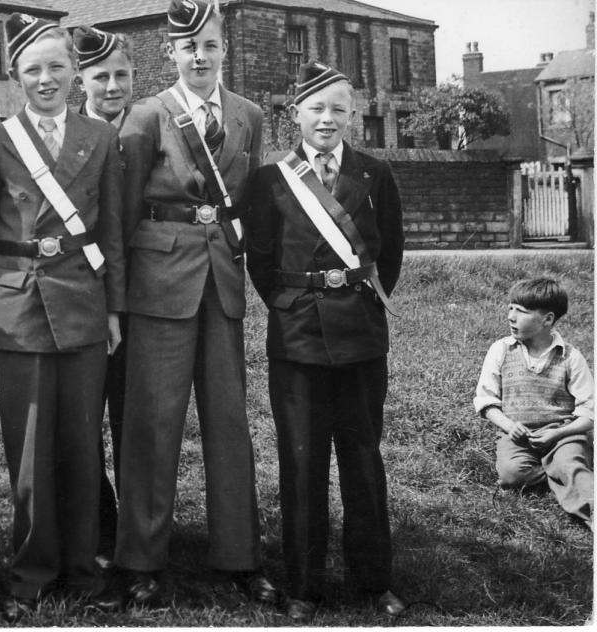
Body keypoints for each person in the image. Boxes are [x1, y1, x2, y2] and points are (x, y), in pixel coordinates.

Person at [113, 0, 277, 608]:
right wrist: (120, 296)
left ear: (223, 48)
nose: (199, 56)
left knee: (230, 423)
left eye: (208, 45)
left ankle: (239, 557)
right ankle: (141, 561)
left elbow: (249, 203)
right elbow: (123, 215)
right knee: (154, 424)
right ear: (171, 54)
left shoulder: (249, 115)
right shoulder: (146, 115)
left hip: (222, 281)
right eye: (188, 48)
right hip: (159, 282)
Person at [0, 12, 126, 623]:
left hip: (85, 301)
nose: (46, 79)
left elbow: (111, 228)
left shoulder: (101, 137)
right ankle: (32, 572)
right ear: (16, 76)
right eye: (33, 69)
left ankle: (84, 568)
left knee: (83, 444)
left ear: (74, 73)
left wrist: (114, 307)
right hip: (18, 304)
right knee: (30, 448)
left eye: (57, 67)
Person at [244, 60, 405, 624]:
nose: (328, 118)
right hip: (298, 340)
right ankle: (303, 585)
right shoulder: (269, 180)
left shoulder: (374, 174)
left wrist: (355, 299)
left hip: (362, 339)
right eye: (316, 108)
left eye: (339, 108)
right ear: (296, 116)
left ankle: (373, 581)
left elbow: (390, 257)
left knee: (363, 460)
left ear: (353, 115)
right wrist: (291, 305)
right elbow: (261, 260)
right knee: (302, 462)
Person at [72, 24, 135, 568]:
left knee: (134, 420)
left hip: (150, 298)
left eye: (120, 75)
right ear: (81, 81)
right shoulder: (68, 135)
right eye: (100, 77)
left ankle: (138, 539)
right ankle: (98, 528)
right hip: (88, 298)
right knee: (86, 417)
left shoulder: (152, 128)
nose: (111, 87)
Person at [474, 277, 594, 529]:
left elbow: (589, 412)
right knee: (511, 475)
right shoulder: (501, 350)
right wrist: (509, 426)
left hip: (563, 433)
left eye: (522, 311)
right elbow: (486, 402)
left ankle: (589, 509)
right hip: (519, 435)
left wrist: (559, 433)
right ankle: (561, 474)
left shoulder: (570, 356)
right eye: (510, 308)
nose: (511, 317)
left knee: (569, 462)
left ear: (547, 320)